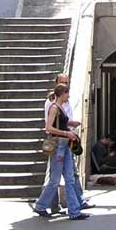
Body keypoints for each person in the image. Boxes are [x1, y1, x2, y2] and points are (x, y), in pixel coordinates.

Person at [32, 84, 90, 220]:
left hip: (65, 145)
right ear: (62, 93)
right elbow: (48, 128)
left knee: (69, 178)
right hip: (59, 146)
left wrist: (71, 124)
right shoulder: (54, 108)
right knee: (55, 180)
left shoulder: (61, 107)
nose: (68, 96)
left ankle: (74, 211)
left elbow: (61, 123)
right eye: (67, 93)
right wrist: (66, 133)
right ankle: (40, 205)